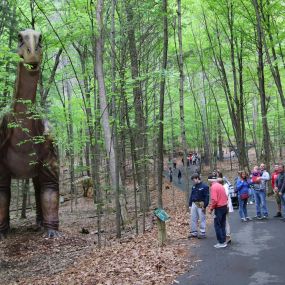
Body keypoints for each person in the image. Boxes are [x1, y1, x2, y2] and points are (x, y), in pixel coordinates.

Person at [208, 175, 228, 249]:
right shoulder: (220, 185)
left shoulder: (213, 187)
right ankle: (223, 241)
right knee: (222, 224)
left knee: (217, 225)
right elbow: (226, 196)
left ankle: (221, 242)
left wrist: (211, 209)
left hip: (219, 208)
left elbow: (214, 200)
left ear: (210, 181)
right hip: (224, 206)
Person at [188, 173, 209, 239]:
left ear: (197, 178)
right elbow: (191, 196)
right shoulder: (194, 186)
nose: (193, 181)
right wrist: (190, 204)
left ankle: (202, 233)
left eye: (194, 180)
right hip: (194, 204)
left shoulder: (205, 186)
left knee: (202, 218)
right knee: (193, 218)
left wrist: (205, 206)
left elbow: (207, 197)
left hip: (201, 204)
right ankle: (194, 232)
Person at [217, 172, 233, 243]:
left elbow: (226, 196)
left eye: (217, 176)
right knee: (222, 221)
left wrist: (226, 206)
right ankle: (224, 235)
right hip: (221, 206)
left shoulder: (225, 186)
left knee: (225, 221)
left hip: (225, 206)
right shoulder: (219, 186)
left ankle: (228, 236)